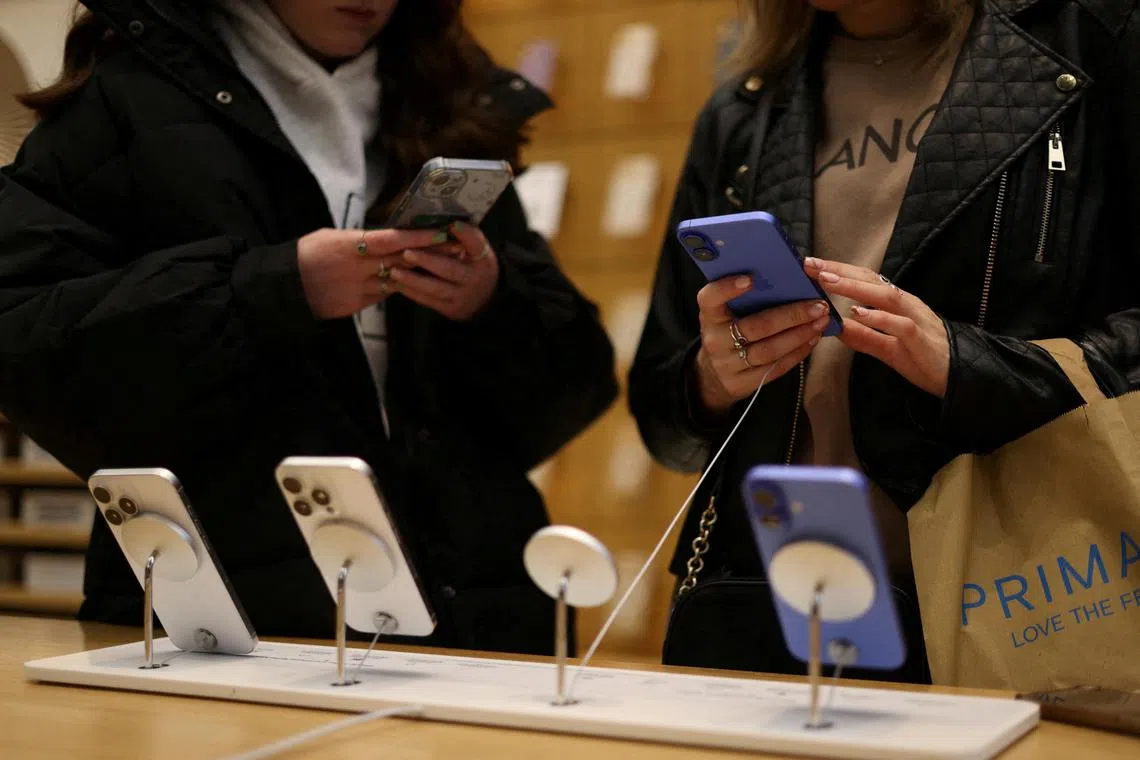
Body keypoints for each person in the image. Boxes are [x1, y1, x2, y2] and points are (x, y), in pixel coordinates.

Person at [0, 0, 618, 656]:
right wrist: (273, 291)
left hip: (477, 631)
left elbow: (572, 392)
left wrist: (489, 303)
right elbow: (28, 342)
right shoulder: (126, 99)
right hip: (228, 632)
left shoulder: (446, 100)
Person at [630, 0, 1140, 681]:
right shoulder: (746, 106)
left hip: (1017, 604)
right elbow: (661, 407)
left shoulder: (1095, 42)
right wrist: (714, 376)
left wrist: (968, 366)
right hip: (768, 604)